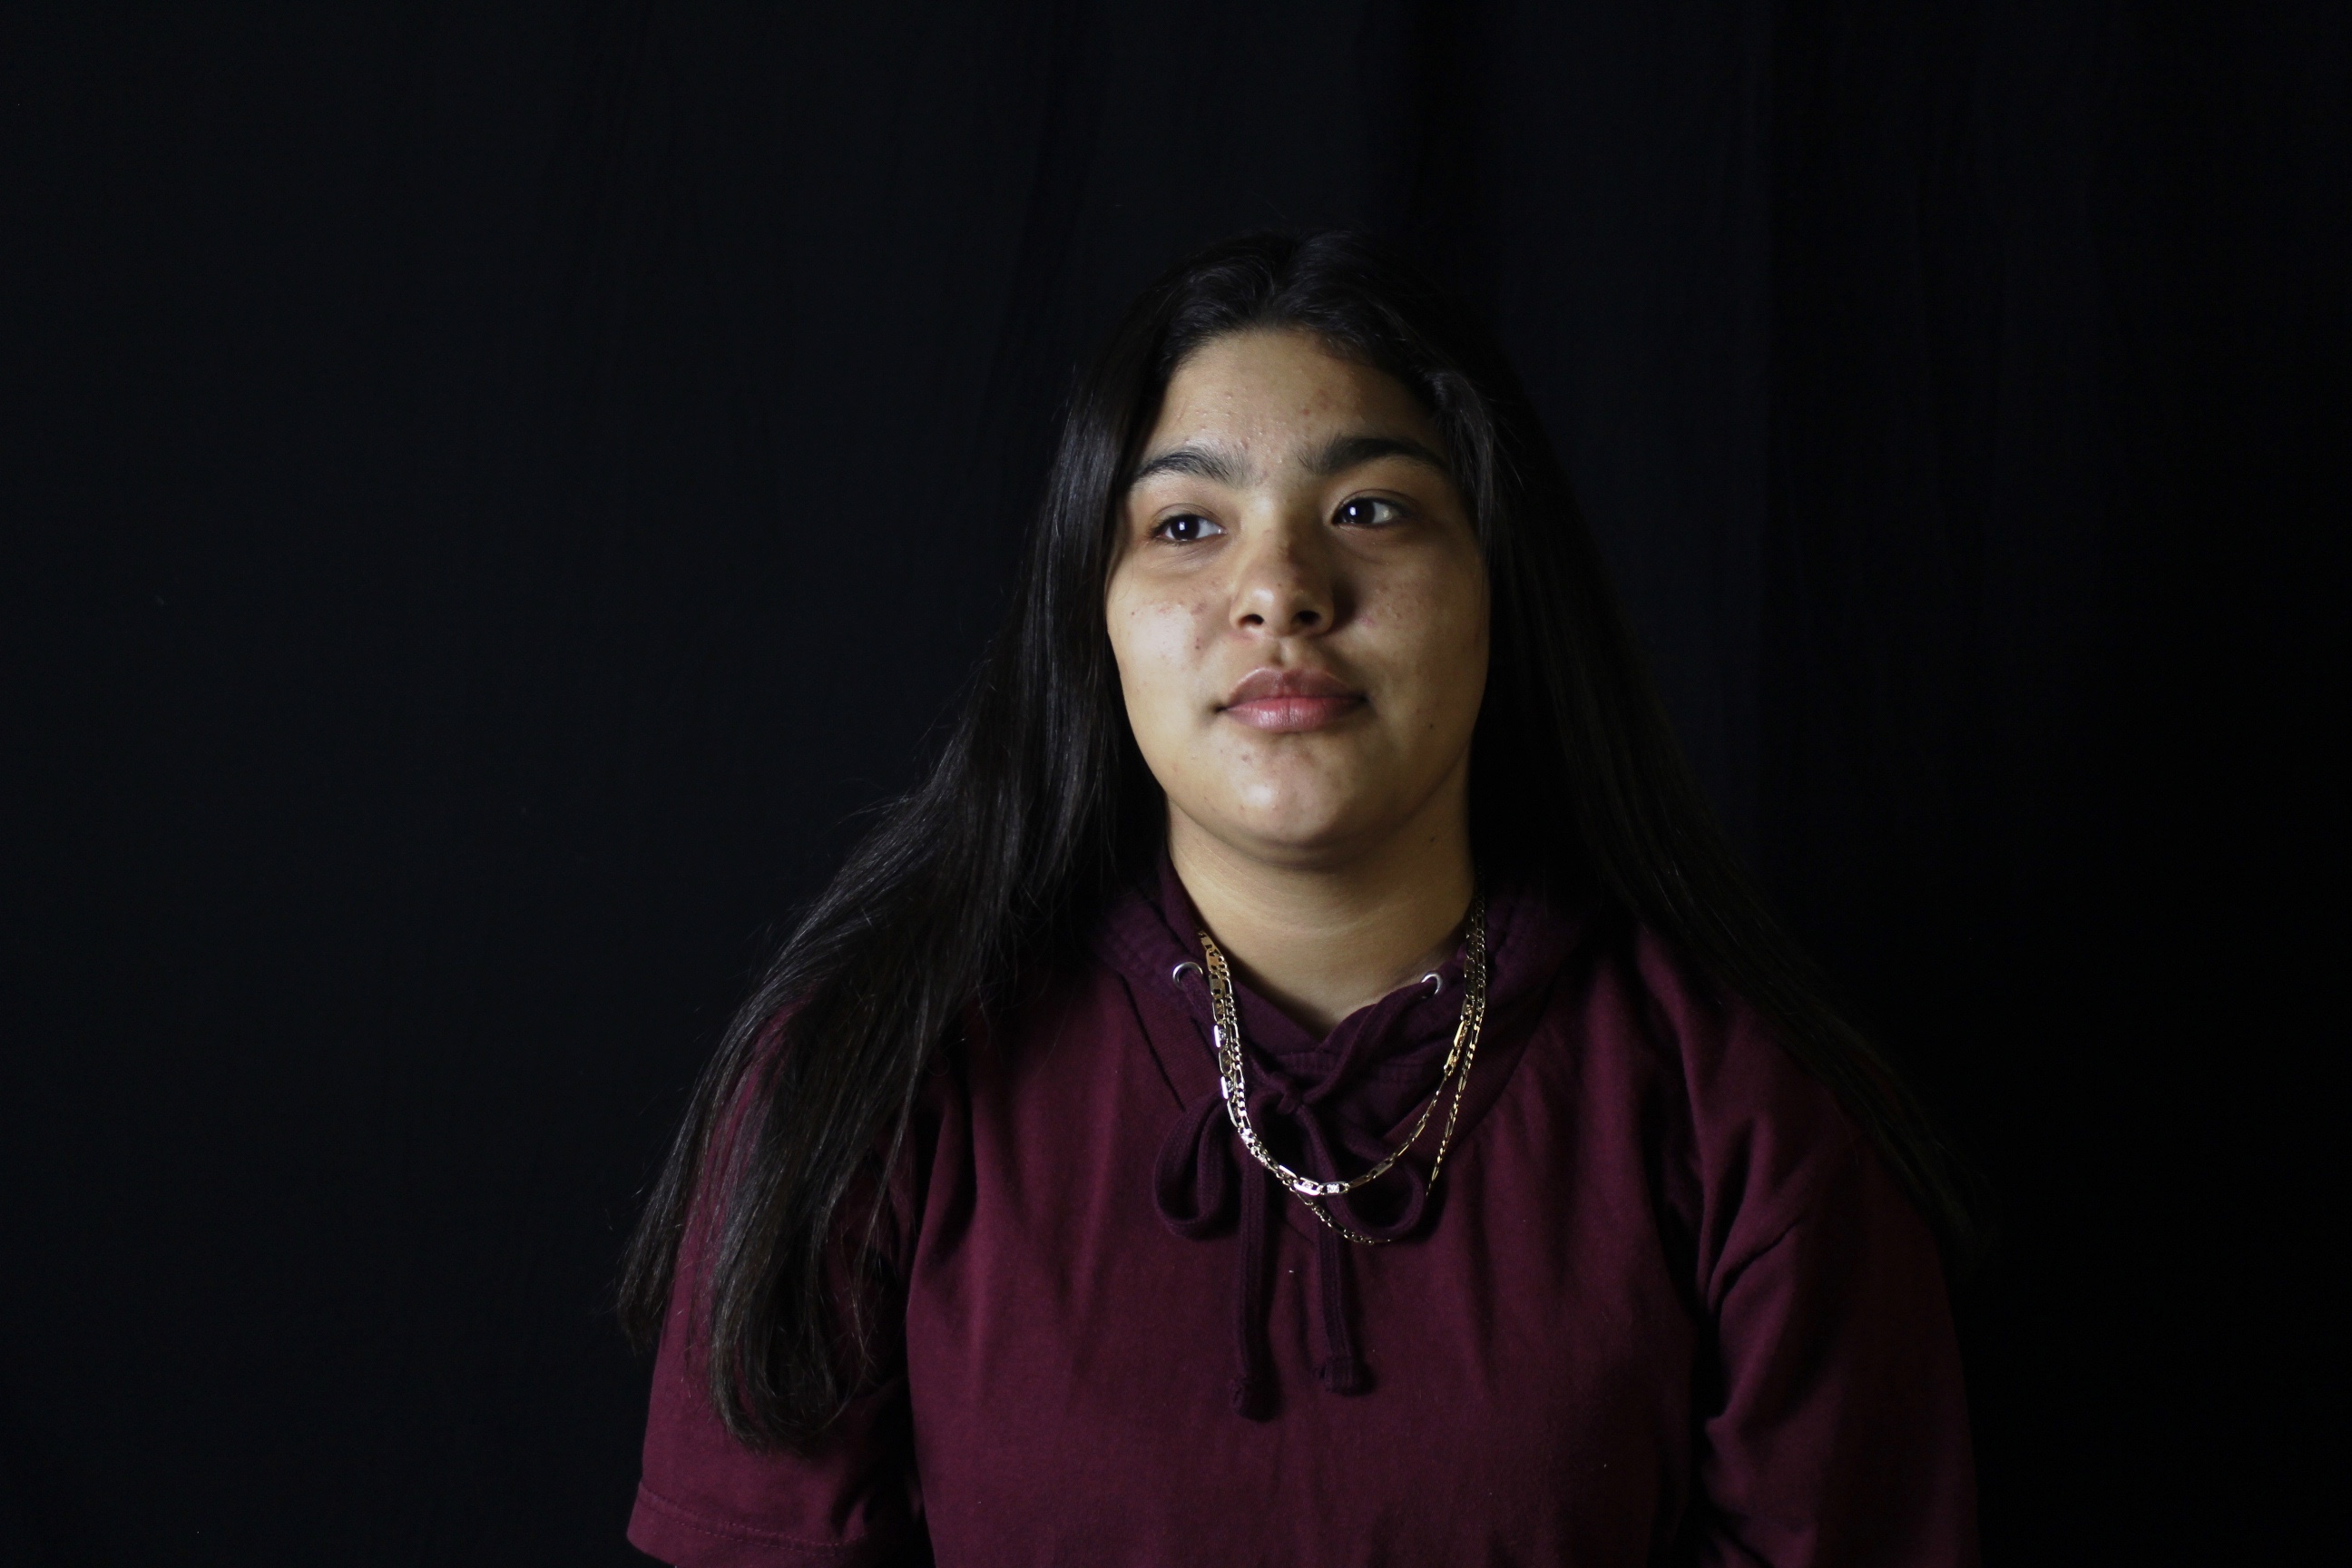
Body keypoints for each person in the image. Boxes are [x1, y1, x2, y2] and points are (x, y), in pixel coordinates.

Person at [618, 230, 1981, 1566]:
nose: (1279, 591)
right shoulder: (868, 1082)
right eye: (1186, 525)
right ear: (1091, 616)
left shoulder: (1744, 1110)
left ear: (1500, 585)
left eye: (1369, 510)